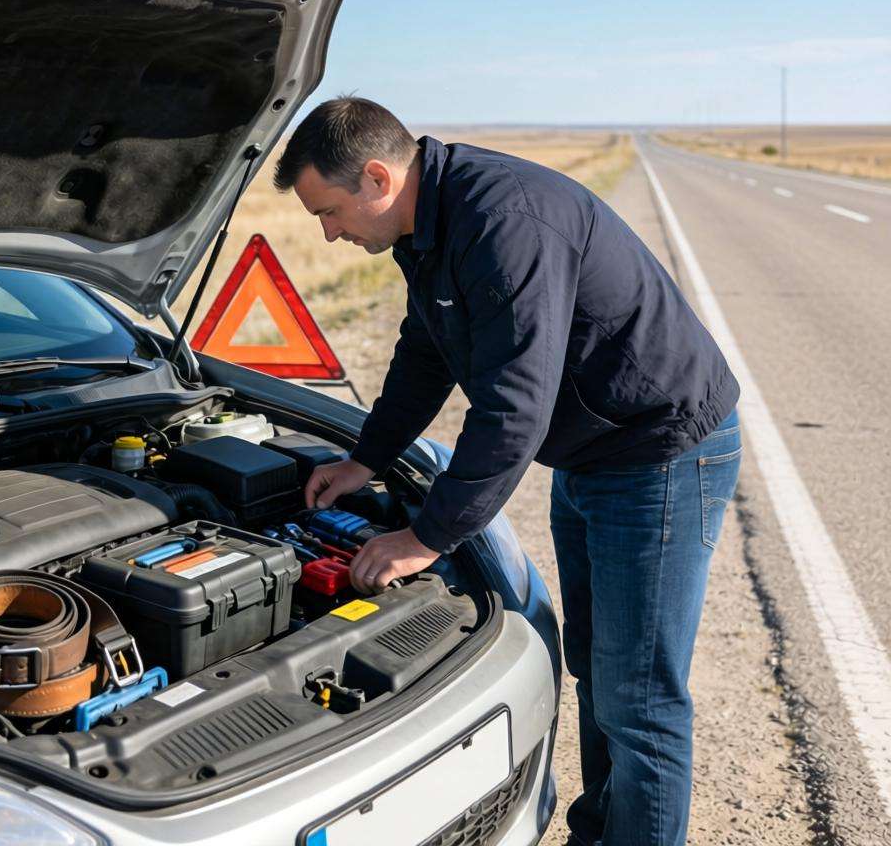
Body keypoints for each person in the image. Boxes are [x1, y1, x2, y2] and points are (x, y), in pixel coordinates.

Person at [273, 96, 741, 846]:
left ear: (376, 179)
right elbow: (426, 352)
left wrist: (428, 536)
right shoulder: (424, 228)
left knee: (639, 699)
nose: (328, 233)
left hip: (659, 453)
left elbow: (512, 407)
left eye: (328, 212)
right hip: (592, 451)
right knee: (597, 669)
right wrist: (367, 457)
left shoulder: (503, 221)